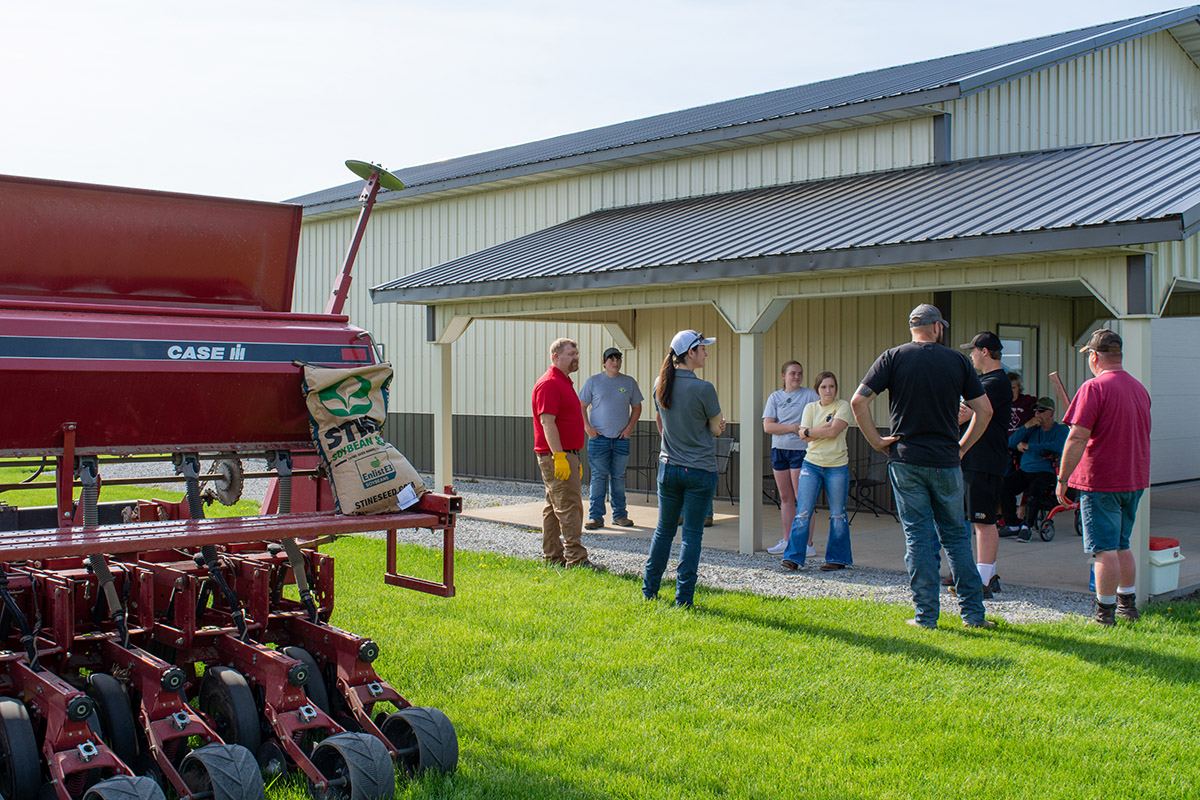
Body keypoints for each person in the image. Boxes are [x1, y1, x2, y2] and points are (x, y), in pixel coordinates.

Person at [850, 303, 995, 629]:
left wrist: (876, 441)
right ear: (938, 327)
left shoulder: (892, 357)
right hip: (946, 462)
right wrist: (962, 447)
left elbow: (858, 401)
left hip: (906, 461)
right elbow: (984, 411)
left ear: (912, 327)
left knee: (918, 538)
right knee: (956, 538)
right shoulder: (958, 361)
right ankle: (973, 615)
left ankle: (925, 617)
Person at [1056, 330, 1151, 626]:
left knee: (1104, 550)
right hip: (1133, 478)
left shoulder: (1093, 388)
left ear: (1094, 356)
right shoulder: (1138, 388)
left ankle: (1104, 613)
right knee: (1122, 544)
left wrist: (1062, 478)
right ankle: (1127, 606)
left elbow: (1077, 437)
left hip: (1101, 481)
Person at [642, 330, 725, 608]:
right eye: (702, 349)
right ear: (690, 353)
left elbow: (661, 421)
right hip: (700, 470)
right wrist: (716, 426)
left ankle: (649, 591)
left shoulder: (660, 383)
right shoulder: (704, 388)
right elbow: (716, 428)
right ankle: (684, 599)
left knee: (663, 531)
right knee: (691, 535)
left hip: (668, 468)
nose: (706, 353)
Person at [531, 338, 601, 569]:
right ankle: (576, 559)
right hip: (556, 456)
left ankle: (552, 556)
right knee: (570, 506)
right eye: (571, 354)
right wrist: (560, 456)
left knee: (554, 507)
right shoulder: (549, 383)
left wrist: (570, 456)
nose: (576, 357)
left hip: (565, 454)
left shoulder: (563, 382)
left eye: (577, 353)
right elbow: (547, 422)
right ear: (556, 356)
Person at [955, 332, 1012, 598]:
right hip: (974, 461)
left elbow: (962, 414)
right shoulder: (985, 382)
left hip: (985, 461)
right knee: (974, 520)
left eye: (973, 351)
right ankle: (986, 575)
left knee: (983, 522)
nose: (971, 356)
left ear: (985, 352)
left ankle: (982, 583)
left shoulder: (995, 382)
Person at [780, 372, 853, 571]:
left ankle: (837, 559)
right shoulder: (810, 408)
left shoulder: (843, 406)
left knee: (837, 514)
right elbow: (803, 437)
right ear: (817, 389)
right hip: (811, 465)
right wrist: (820, 429)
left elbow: (833, 431)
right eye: (823, 387)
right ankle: (793, 557)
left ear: (836, 388)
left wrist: (810, 431)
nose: (828, 390)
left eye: (831, 386)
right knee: (803, 512)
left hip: (837, 466)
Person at [580, 347, 644, 530]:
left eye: (618, 359)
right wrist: (588, 428)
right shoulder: (593, 382)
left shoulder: (629, 382)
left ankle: (620, 515)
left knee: (618, 477)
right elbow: (581, 405)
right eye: (611, 359)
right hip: (598, 439)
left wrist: (629, 428)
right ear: (604, 363)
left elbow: (637, 407)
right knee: (599, 477)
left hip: (621, 439)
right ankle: (596, 517)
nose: (615, 362)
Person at [763, 361, 819, 555]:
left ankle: (807, 544)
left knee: (802, 497)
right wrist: (793, 427)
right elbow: (768, 426)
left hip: (800, 451)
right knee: (785, 497)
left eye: (800, 373)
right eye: (793, 373)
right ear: (783, 376)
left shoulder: (809, 395)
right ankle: (787, 540)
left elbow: (821, 415)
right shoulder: (775, 397)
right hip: (779, 450)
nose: (797, 377)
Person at [1001, 397, 1068, 541]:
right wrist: (1026, 426)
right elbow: (1011, 443)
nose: (1037, 414)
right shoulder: (1031, 429)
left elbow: (1058, 446)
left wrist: (1030, 446)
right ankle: (1012, 524)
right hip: (1025, 470)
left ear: (1051, 412)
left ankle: (1027, 527)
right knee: (1004, 486)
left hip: (1045, 471)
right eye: (1036, 411)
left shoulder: (1060, 429)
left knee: (1034, 491)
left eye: (1041, 410)